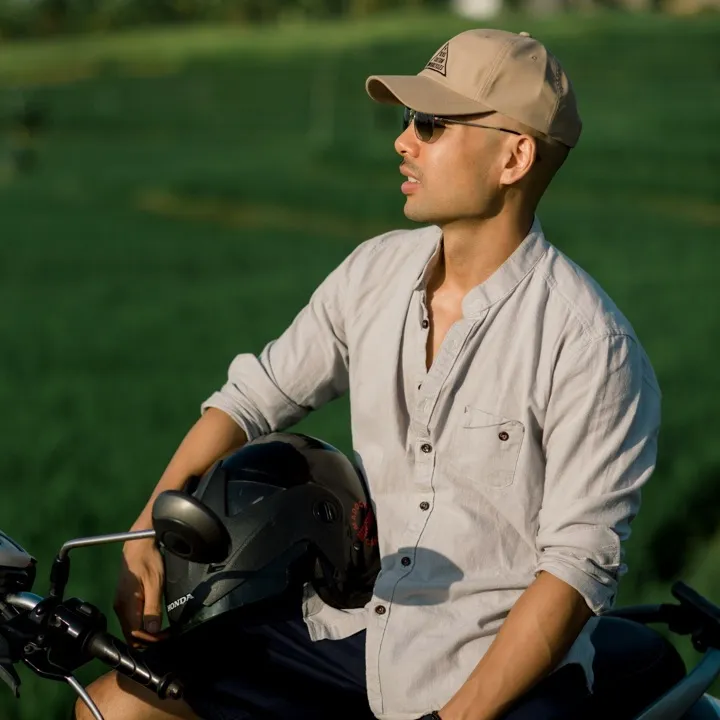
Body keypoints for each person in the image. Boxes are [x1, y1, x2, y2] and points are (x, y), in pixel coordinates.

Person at [76, 27, 670, 720]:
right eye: (407, 119)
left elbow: (574, 569)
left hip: (491, 666)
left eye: (431, 123)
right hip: (354, 629)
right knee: (113, 705)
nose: (402, 141)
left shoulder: (590, 346)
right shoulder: (373, 273)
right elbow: (253, 399)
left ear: (514, 156)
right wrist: (146, 533)